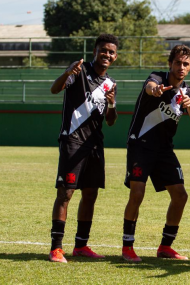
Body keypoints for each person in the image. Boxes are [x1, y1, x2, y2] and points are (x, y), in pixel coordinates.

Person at [121, 45, 190, 262]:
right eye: (177, 62)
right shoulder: (158, 78)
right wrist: (155, 90)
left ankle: (165, 246)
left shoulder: (188, 92)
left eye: (186, 64)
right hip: (141, 144)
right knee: (137, 193)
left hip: (164, 149)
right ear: (170, 64)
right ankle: (127, 247)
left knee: (180, 195)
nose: (181, 67)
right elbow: (150, 86)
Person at [48, 34, 119, 263]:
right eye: (103, 50)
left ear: (115, 57)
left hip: (95, 144)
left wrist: (112, 103)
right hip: (73, 139)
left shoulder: (110, 84)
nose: (107, 54)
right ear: (95, 51)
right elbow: (54, 89)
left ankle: (81, 246)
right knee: (66, 193)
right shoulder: (78, 71)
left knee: (90, 193)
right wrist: (67, 72)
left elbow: (111, 120)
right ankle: (56, 248)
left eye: (111, 52)